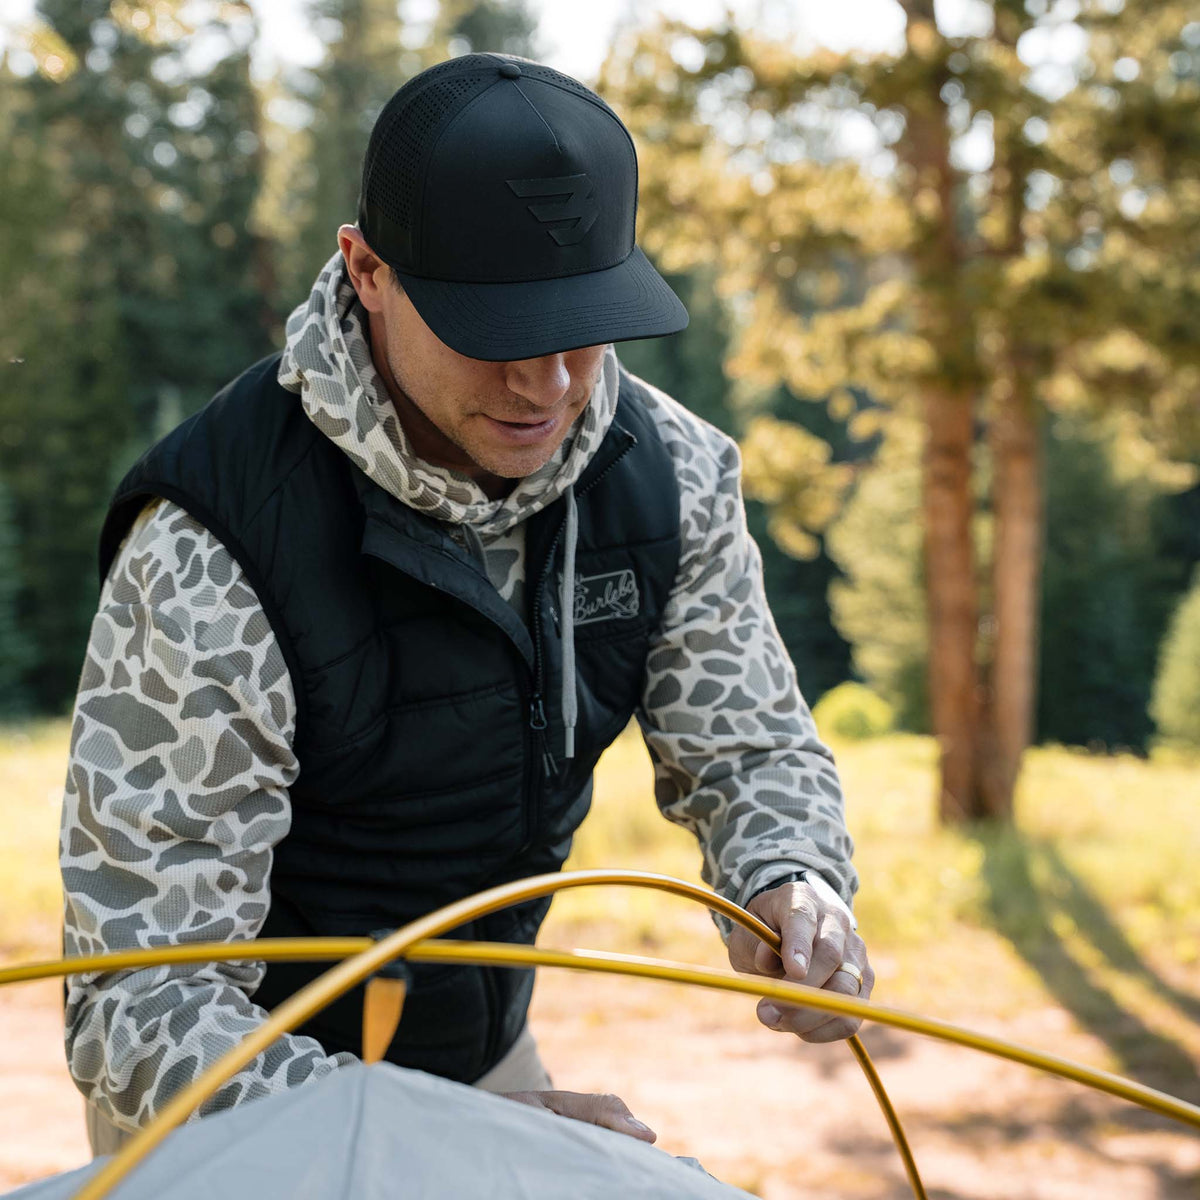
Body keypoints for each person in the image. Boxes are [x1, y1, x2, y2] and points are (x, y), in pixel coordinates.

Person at [60, 52, 873, 1157]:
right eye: (492, 332)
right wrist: (437, 1136)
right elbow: (139, 1002)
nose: (545, 386)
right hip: (229, 1115)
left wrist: (792, 873)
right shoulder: (213, 545)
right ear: (366, 273)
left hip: (483, 1061)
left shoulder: (672, 479)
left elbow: (749, 748)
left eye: (581, 323)